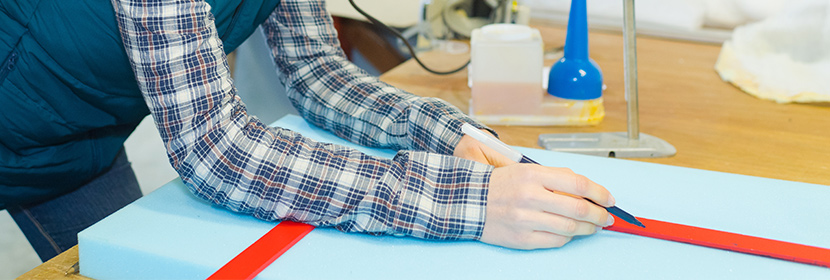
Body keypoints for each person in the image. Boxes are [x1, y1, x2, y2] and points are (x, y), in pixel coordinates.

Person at [0, 0, 615, 262]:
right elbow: (215, 150)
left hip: (78, 134)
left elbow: (315, 69)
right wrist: (469, 202)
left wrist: (445, 132)